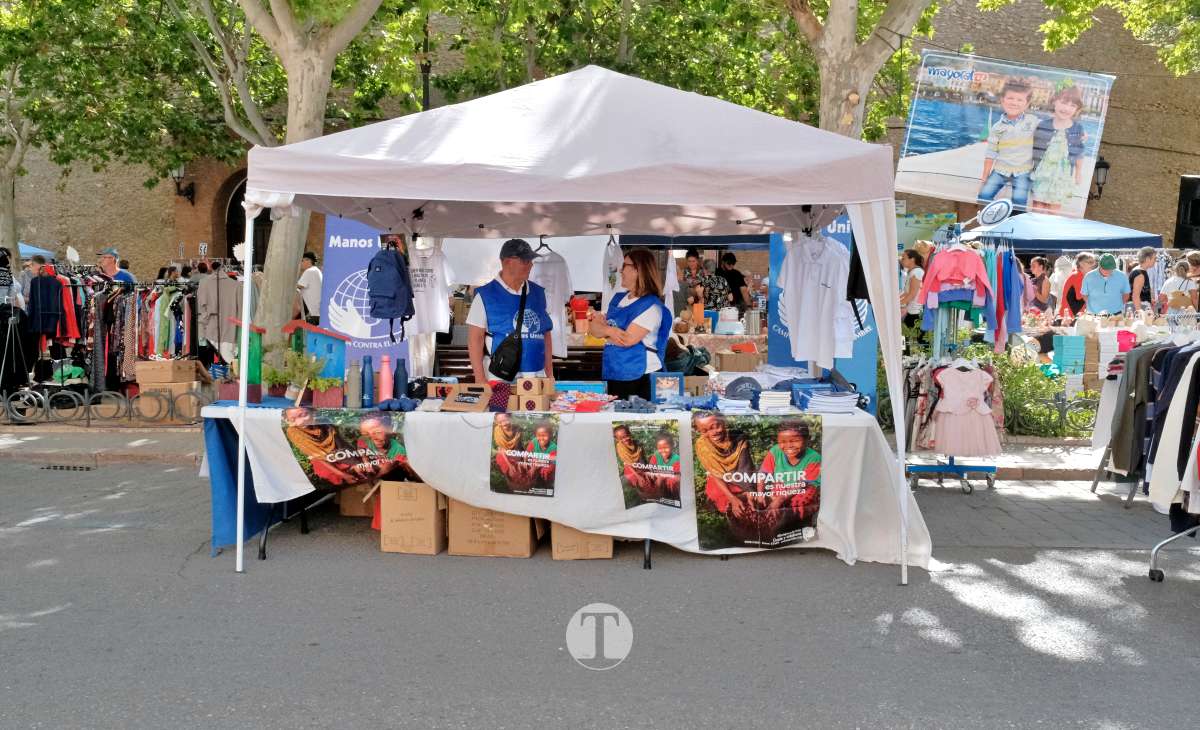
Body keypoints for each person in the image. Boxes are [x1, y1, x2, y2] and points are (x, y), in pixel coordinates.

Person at [588, 249, 672, 400]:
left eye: (625, 266)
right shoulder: (618, 299)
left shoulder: (651, 306)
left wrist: (604, 330)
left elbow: (626, 340)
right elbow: (593, 329)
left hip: (640, 375)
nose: (620, 270)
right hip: (615, 370)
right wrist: (611, 331)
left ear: (638, 270)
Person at [467, 238, 554, 383]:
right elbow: (475, 340)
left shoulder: (539, 293)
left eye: (531, 261)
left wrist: (549, 374)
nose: (531, 265)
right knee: (501, 407)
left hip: (537, 377)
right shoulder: (485, 295)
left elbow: (546, 335)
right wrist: (480, 380)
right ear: (507, 262)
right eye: (525, 261)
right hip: (500, 379)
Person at [978, 78, 1038, 209]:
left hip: (1023, 170)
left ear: (1027, 104)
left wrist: (1078, 134)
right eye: (1010, 98)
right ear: (1002, 100)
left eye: (1019, 100)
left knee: (1019, 201)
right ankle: (1000, 214)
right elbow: (991, 152)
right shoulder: (997, 127)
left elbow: (1052, 128)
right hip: (1001, 169)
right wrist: (985, 176)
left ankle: (1014, 220)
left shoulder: (1033, 121)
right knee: (983, 196)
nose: (1014, 103)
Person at [1030, 84, 1087, 212]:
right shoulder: (1043, 125)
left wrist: (1078, 173)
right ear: (1055, 101)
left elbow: (1079, 153)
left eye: (1072, 106)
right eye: (1064, 103)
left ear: (1077, 109)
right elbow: (1032, 146)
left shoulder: (1078, 129)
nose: (1067, 108)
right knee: (1037, 206)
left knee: (1054, 208)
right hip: (1042, 173)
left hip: (1062, 176)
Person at [282, 407, 369, 487]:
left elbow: (340, 442)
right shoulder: (294, 433)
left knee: (361, 466)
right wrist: (343, 475)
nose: (299, 422)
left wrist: (355, 461)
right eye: (293, 419)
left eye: (303, 415)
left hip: (338, 451)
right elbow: (318, 456)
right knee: (331, 475)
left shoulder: (322, 421)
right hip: (321, 459)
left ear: (312, 411)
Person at [693, 412, 754, 521]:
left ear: (724, 422)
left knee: (754, 497)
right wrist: (732, 498)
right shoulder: (702, 445)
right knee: (718, 497)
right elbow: (715, 473)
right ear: (699, 431)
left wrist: (750, 491)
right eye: (705, 430)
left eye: (716, 426)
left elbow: (745, 468)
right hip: (720, 480)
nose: (712, 433)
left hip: (742, 478)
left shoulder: (739, 439)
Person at [756, 421, 821, 522]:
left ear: (807, 440)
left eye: (795, 440)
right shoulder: (775, 451)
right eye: (783, 441)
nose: (789, 446)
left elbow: (804, 484)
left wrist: (780, 499)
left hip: (802, 489)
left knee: (800, 503)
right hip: (782, 487)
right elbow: (763, 474)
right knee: (774, 493)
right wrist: (760, 495)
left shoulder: (814, 458)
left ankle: (797, 522)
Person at [356, 413, 418, 481]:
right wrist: (366, 463)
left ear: (390, 429)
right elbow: (361, 448)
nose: (372, 437)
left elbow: (387, 468)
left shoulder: (399, 450)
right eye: (366, 434)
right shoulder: (363, 439)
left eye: (378, 432)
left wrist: (374, 479)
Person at [1057, 252, 1095, 318]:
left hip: (1072, 316)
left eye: (1093, 262)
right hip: (1070, 318)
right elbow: (1083, 297)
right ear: (1081, 263)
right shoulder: (1078, 276)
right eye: (1089, 262)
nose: (1093, 264)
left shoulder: (1080, 275)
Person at [898, 249, 925, 329]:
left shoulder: (917, 272)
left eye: (904, 258)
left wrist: (898, 304)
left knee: (916, 339)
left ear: (912, 259)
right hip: (912, 311)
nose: (901, 260)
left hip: (916, 312)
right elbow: (907, 293)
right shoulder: (912, 272)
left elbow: (912, 294)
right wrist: (898, 301)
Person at [297, 251, 323, 325]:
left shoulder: (309, 271)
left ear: (308, 261)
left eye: (302, 260)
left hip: (313, 314)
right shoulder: (317, 271)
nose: (301, 263)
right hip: (318, 313)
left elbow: (297, 286)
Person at [1127, 247, 1156, 311]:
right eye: (1154, 258)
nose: (1155, 261)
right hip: (1138, 308)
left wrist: (1149, 299)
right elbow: (1135, 297)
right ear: (1148, 259)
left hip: (1138, 307)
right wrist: (1140, 314)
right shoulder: (1140, 274)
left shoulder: (1139, 271)